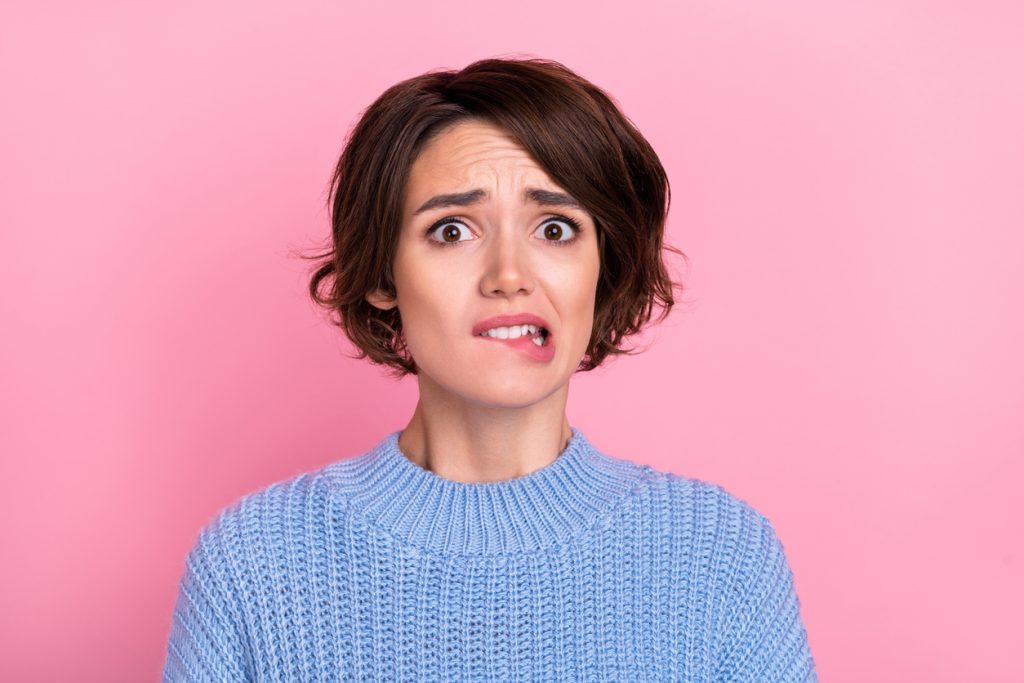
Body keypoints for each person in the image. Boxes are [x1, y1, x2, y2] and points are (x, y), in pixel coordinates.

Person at [162, 57, 819, 682]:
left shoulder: (722, 556)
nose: (509, 275)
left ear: (603, 264)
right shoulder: (251, 566)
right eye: (453, 230)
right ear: (385, 274)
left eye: (556, 229)